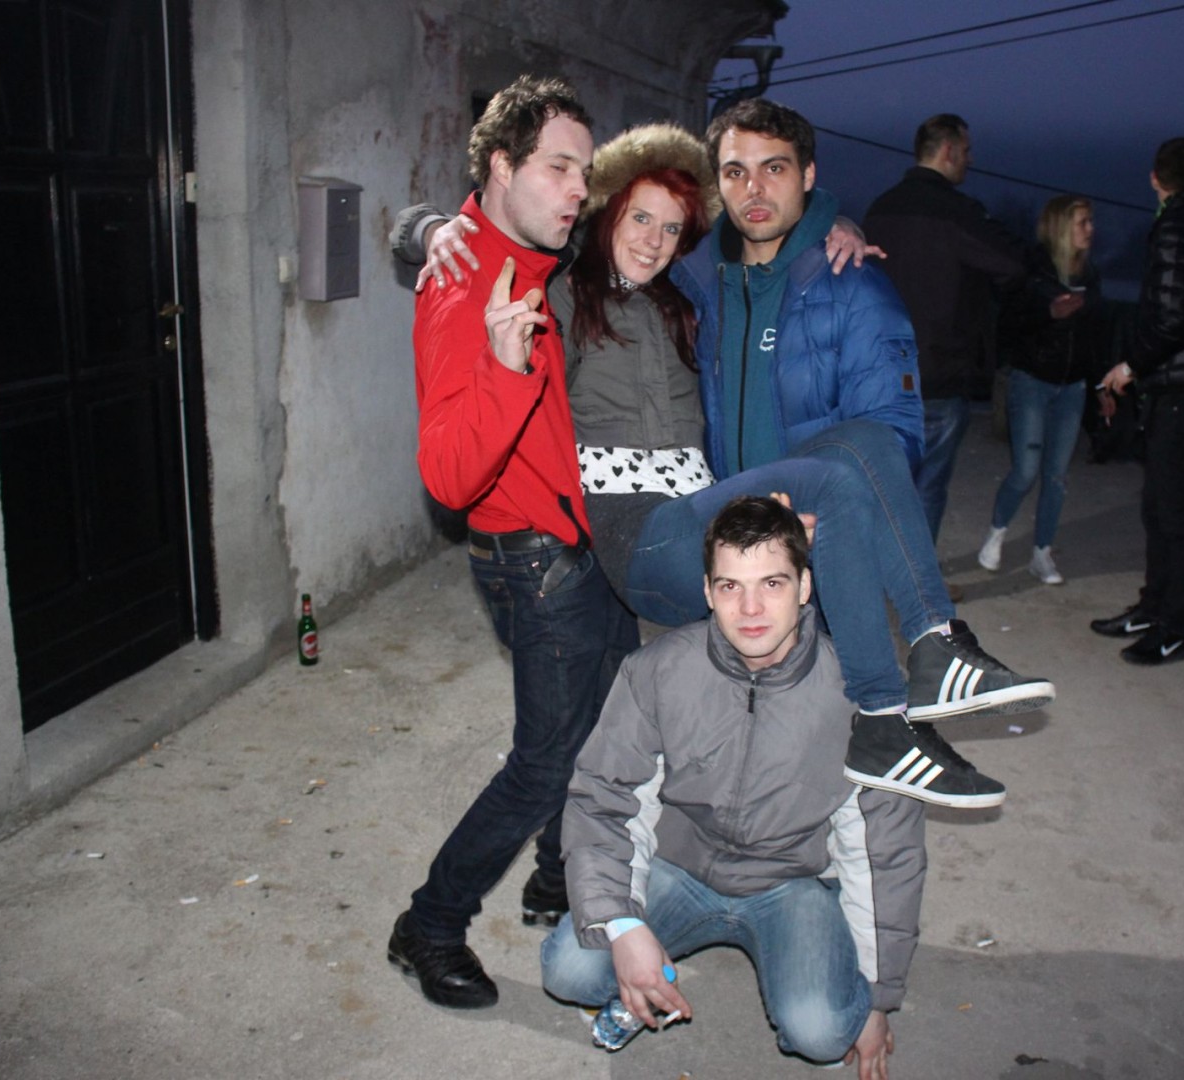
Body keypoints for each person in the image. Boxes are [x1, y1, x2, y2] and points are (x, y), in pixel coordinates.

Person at [405, 114, 1054, 806]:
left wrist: (835, 226)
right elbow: (494, 243)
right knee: (831, 487)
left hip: (708, 509)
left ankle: (934, 641)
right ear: (609, 210)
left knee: (865, 441)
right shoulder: (563, 294)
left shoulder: (689, 295)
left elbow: (764, 246)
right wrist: (430, 227)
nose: (653, 240)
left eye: (671, 227)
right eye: (639, 218)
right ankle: (881, 712)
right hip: (640, 535)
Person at [386, 74, 641, 1011]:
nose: (578, 190)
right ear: (501, 166)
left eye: (584, 171)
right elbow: (449, 479)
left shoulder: (533, 249)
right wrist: (502, 366)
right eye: (558, 168)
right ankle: (430, 923)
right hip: (532, 561)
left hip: (579, 541)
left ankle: (555, 877)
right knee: (542, 763)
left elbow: (660, 228)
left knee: (603, 727)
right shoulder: (461, 284)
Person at [541, 495, 925, 1078]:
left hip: (791, 883)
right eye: (729, 586)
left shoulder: (860, 690)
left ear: (804, 586)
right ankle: (645, 964)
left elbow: (885, 850)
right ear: (706, 591)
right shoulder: (658, 670)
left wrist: (875, 1000)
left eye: (772, 583)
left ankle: (810, 971)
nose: (750, 609)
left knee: (822, 1032)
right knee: (569, 969)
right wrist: (623, 926)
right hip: (679, 868)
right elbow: (604, 799)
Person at [1092, 137, 1184, 665]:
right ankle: (1151, 609)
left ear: (1156, 178)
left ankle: (1173, 629)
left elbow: (1171, 318)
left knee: (1174, 513)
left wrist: (1129, 366)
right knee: (1157, 505)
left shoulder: (1181, 224)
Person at [862, 114, 1027, 544]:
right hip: (938, 371)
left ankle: (879, 570)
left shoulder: (881, 208)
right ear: (949, 150)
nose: (970, 160)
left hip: (881, 373)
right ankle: (915, 576)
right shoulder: (957, 212)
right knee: (928, 486)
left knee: (883, 485)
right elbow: (1011, 263)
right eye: (967, 151)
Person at [977, 195, 1104, 585]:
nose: (1090, 229)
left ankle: (1041, 554)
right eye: (1082, 222)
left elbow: (1094, 337)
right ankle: (996, 533)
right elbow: (1009, 326)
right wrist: (1049, 313)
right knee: (1026, 470)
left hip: (1073, 388)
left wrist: (1101, 384)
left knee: (1057, 477)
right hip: (1032, 381)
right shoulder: (1032, 270)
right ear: (1061, 227)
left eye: (1090, 221)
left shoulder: (1090, 274)